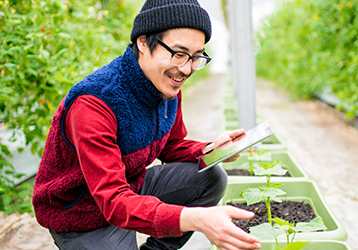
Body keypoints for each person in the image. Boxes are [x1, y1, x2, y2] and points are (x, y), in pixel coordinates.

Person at [32, 0, 262, 249]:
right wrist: (193, 219)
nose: (186, 69)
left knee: (211, 177)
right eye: (179, 54)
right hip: (82, 210)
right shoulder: (95, 103)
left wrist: (211, 150)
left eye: (196, 57)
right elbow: (113, 201)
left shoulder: (167, 85)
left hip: (129, 185)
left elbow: (171, 146)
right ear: (143, 41)